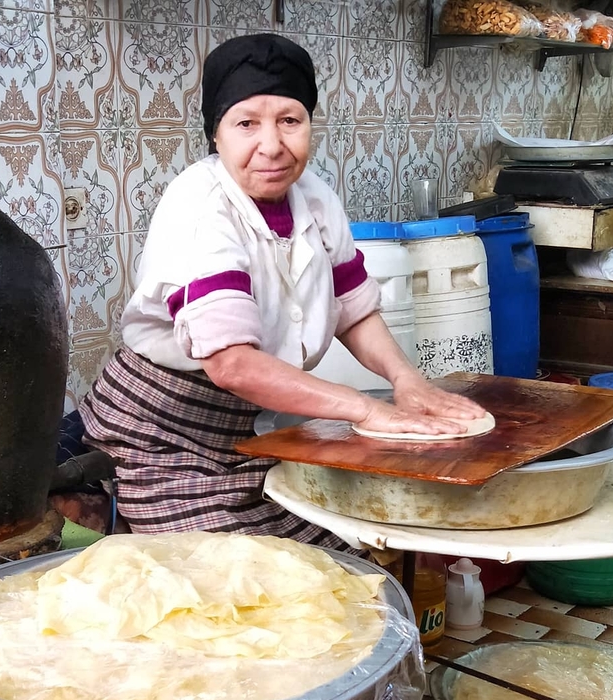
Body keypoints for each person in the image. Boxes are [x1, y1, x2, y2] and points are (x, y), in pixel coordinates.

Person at [79, 33, 485, 551]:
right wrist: (364, 408)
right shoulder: (202, 208)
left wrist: (409, 381)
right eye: (246, 123)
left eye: (289, 121)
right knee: (246, 584)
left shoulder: (314, 197)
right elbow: (232, 365)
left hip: (254, 432)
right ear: (216, 135)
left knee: (342, 558)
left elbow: (353, 310)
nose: (271, 145)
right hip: (162, 437)